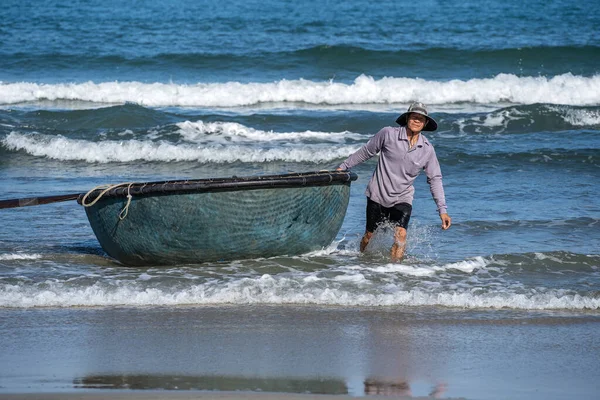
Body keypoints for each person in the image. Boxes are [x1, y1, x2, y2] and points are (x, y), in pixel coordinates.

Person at [337, 102, 451, 261]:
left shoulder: (427, 149)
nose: (417, 120)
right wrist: (343, 167)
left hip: (402, 197)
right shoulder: (388, 134)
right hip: (378, 194)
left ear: (425, 123)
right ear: (407, 119)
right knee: (369, 236)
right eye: (414, 117)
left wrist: (442, 210)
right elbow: (366, 152)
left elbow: (435, 179)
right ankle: (361, 261)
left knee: (401, 235)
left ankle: (393, 274)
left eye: (421, 118)